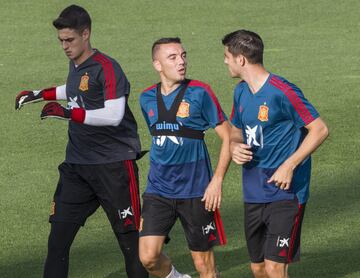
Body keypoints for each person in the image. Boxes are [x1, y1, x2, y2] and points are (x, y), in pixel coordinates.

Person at [15, 5, 148, 278]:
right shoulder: (76, 64)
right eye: (61, 41)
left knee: (131, 245)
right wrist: (39, 93)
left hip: (114, 167)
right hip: (77, 166)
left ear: (85, 34)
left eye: (70, 40)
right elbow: (75, 88)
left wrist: (67, 113)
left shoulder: (108, 68)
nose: (64, 46)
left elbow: (113, 115)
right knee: (57, 242)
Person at [222, 29, 329, 278]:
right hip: (253, 190)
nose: (225, 60)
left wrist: (290, 164)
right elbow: (237, 130)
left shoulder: (283, 91)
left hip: (286, 192)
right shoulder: (240, 91)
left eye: (227, 56)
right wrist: (234, 146)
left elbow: (320, 129)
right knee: (258, 268)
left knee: (274, 268)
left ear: (241, 60)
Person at [138, 37, 231, 278]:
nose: (181, 62)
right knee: (148, 257)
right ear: (157, 65)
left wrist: (217, 181)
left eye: (183, 56)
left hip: (196, 191)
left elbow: (229, 137)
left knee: (205, 267)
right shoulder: (146, 97)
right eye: (173, 57)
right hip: (158, 189)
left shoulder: (200, 92)